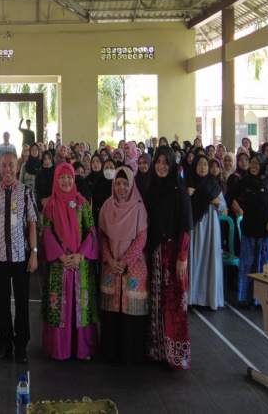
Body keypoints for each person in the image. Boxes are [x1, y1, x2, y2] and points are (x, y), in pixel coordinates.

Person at [0, 152, 39, 364]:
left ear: (17, 167)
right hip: (0, 257)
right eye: (3, 165)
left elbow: (33, 223)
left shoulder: (26, 193)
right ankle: (4, 342)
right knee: (3, 302)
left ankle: (21, 345)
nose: (7, 169)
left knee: (22, 302)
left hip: (21, 257)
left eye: (11, 165)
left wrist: (34, 253)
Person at [40, 163, 99, 361]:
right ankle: (60, 348)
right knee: (60, 307)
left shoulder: (82, 203)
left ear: (74, 180)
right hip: (59, 265)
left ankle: (81, 348)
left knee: (80, 306)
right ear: (56, 180)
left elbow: (91, 231)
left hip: (80, 265)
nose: (66, 181)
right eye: (62, 178)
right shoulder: (50, 204)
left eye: (69, 178)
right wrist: (62, 256)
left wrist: (80, 255)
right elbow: (46, 233)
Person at [144, 146, 192, 369]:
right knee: (156, 302)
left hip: (173, 255)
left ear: (172, 164)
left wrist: (182, 256)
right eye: (158, 162)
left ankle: (176, 355)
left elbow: (185, 225)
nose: (161, 166)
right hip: (155, 253)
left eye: (166, 162)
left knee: (174, 303)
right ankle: (158, 351)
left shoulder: (179, 190)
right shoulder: (151, 188)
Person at [98, 167, 148, 365]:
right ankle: (111, 352)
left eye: (125, 183)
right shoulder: (107, 206)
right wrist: (110, 259)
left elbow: (142, 237)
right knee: (111, 312)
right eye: (118, 183)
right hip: (111, 264)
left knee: (130, 312)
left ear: (131, 185)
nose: (121, 187)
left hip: (133, 265)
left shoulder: (138, 207)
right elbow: (101, 235)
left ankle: (130, 354)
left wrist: (125, 261)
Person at [230, 153, 268, 308]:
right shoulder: (244, 181)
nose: (253, 165)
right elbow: (230, 196)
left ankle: (264, 299)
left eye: (256, 163)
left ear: (262, 165)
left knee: (265, 265)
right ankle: (248, 297)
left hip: (266, 232)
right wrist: (236, 207)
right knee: (248, 265)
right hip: (249, 230)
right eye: (251, 162)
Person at [186, 155, 226, 310]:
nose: (202, 167)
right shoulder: (188, 185)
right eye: (199, 164)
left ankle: (208, 298)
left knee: (209, 260)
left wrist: (217, 202)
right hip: (195, 227)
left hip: (210, 228)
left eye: (205, 164)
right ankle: (193, 297)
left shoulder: (213, 186)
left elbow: (222, 207)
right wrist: (186, 194)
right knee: (194, 258)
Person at [91, 159, 117, 230]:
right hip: (102, 220)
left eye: (111, 168)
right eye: (106, 168)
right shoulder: (98, 184)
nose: (109, 170)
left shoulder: (119, 184)